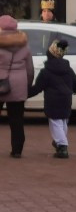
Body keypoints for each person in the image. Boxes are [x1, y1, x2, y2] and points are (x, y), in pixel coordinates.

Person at [28, 40, 76, 159]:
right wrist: (71, 90)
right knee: (63, 122)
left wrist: (24, 94)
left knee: (55, 123)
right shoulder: (68, 69)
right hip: (66, 99)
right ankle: (59, 142)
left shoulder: (46, 71)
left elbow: (37, 88)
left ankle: (62, 146)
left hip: (53, 100)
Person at [0, 14, 35, 158]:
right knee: (17, 119)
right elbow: (30, 70)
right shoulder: (25, 46)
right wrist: (27, 84)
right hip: (19, 84)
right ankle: (17, 150)